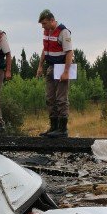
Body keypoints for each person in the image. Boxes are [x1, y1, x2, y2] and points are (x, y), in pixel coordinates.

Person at [35, 9, 74, 138]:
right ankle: (54, 127)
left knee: (61, 99)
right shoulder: (46, 31)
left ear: (52, 20)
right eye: (42, 24)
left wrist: (66, 72)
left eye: (45, 23)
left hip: (61, 67)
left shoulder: (63, 32)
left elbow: (69, 52)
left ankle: (62, 129)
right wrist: (40, 66)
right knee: (50, 98)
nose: (43, 26)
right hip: (50, 67)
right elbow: (45, 49)